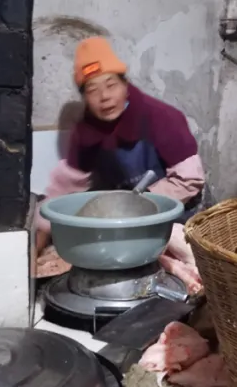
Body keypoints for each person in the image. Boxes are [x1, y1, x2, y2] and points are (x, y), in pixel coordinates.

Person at [34, 37, 205, 278]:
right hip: (126, 220)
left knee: (186, 266)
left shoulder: (161, 118)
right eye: (92, 90)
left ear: (125, 84)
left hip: (179, 215)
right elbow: (63, 190)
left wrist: (134, 206)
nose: (104, 97)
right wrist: (37, 239)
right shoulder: (86, 132)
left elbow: (190, 180)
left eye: (111, 84)